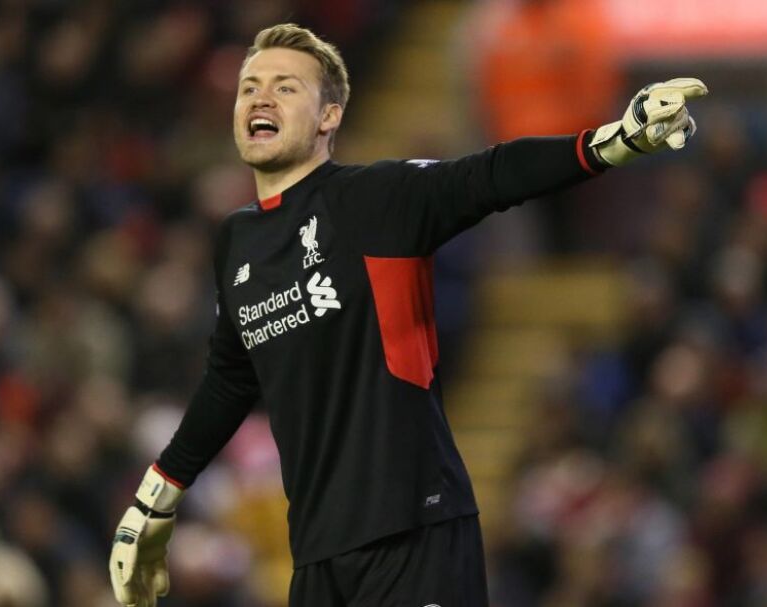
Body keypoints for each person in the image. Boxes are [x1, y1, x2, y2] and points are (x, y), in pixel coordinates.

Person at [108, 22, 706, 607]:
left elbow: (492, 175)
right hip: (317, 555)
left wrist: (614, 141)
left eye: (285, 87)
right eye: (250, 87)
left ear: (328, 116)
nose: (260, 98)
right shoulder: (236, 241)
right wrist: (154, 501)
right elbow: (231, 378)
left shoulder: (377, 199)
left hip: (415, 535)